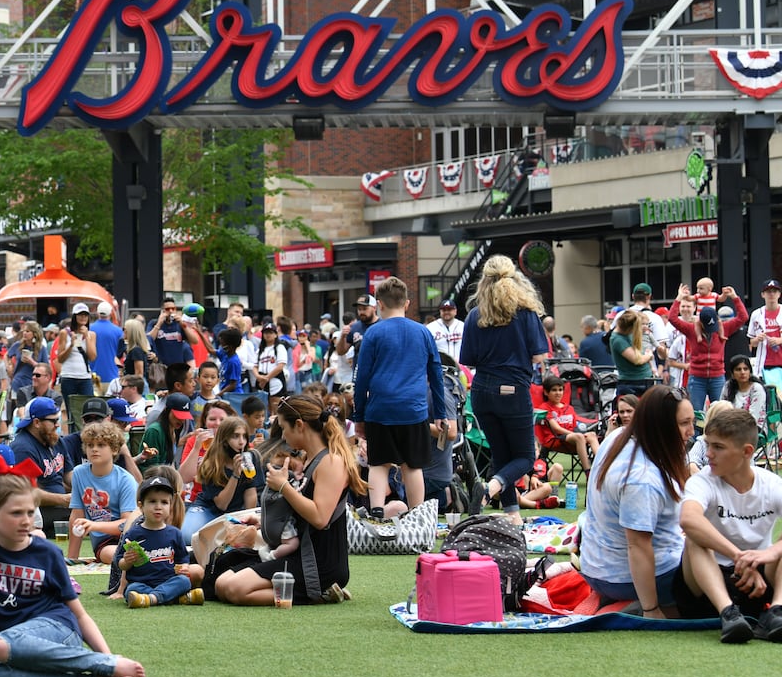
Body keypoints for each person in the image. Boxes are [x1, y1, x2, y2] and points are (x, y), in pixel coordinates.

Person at [0, 468, 146, 677]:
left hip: (58, 631)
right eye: (16, 513)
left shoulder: (47, 552)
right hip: (13, 645)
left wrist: (109, 658)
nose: (26, 521)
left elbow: (79, 614)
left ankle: (104, 667)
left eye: (30, 512)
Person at [208, 390, 363, 605]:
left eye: (283, 427)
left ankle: (321, 592)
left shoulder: (331, 462)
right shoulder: (311, 459)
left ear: (300, 425)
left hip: (318, 563)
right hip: (296, 553)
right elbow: (299, 515)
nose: (282, 436)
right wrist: (263, 521)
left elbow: (320, 517)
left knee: (235, 589)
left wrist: (283, 487)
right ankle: (315, 591)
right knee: (222, 584)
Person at [580, 385, 694, 617]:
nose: (692, 431)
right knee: (714, 566)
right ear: (660, 426)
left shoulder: (618, 438)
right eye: (684, 423)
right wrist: (651, 609)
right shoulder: (641, 478)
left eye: (693, 422)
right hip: (625, 577)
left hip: (597, 568)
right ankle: (639, 607)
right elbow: (638, 546)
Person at [676, 407, 782, 642]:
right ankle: (729, 615)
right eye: (708, 445)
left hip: (759, 579)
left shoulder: (771, 484)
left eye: (718, 447)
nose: (708, 454)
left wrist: (770, 553)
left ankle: (777, 611)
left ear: (746, 452)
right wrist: (740, 557)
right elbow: (688, 519)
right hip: (707, 581)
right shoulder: (702, 481)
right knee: (695, 536)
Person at [459, 255, 547, 522]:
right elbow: (538, 356)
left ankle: (512, 515)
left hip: (483, 391)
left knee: (501, 453)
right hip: (513, 389)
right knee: (525, 457)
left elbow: (468, 360)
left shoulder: (475, 315)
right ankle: (489, 489)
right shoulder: (526, 313)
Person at [352, 276, 449, 516]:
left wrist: (359, 416)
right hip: (413, 410)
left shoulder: (373, 334)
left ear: (380, 305)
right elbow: (436, 375)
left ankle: (376, 512)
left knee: (379, 463)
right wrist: (440, 413)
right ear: (406, 303)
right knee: (412, 466)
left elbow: (361, 379)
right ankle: (418, 516)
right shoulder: (423, 332)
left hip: (379, 409)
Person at [120, 475, 203, 607]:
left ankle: (150, 599)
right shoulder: (133, 533)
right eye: (152, 501)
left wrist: (185, 568)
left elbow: (182, 559)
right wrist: (127, 561)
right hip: (142, 583)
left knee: (184, 581)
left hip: (168, 581)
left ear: (171, 506)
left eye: (164, 502)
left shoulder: (174, 533)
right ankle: (175, 599)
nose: (158, 507)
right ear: (141, 506)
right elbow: (120, 564)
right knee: (131, 589)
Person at [668, 283, 748, 415]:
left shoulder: (724, 328)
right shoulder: (691, 330)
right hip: (697, 377)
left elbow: (743, 317)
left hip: (717, 376)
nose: (711, 331)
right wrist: (678, 299)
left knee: (721, 413)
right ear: (700, 323)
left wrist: (735, 297)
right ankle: (695, 436)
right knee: (696, 413)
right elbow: (673, 318)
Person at [67, 420, 137, 564]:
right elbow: (76, 516)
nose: (94, 449)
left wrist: (93, 526)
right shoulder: (79, 473)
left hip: (130, 538)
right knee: (109, 553)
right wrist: (71, 559)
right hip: (105, 543)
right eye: (90, 445)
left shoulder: (125, 480)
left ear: (114, 449)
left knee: (122, 554)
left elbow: (128, 524)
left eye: (101, 445)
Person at [179, 416, 259, 542]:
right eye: (235, 436)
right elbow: (222, 504)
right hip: (208, 509)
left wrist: (248, 520)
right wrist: (235, 475)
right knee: (187, 536)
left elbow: (251, 494)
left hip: (235, 512)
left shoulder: (251, 458)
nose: (241, 441)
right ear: (225, 439)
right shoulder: (211, 464)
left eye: (244, 436)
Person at [9, 397, 72, 523]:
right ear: (37, 422)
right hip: (36, 511)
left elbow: (68, 474)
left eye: (57, 419)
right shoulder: (23, 448)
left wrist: (87, 488)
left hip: (59, 507)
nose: (58, 425)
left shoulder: (55, 440)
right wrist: (63, 499)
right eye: (53, 421)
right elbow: (27, 493)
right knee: (81, 518)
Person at [535, 374, 599, 475]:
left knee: (592, 435)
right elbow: (556, 429)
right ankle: (588, 472)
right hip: (555, 439)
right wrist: (577, 435)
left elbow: (574, 426)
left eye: (560, 390)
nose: (558, 393)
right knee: (579, 436)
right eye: (554, 390)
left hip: (571, 439)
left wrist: (579, 434)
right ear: (546, 392)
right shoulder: (545, 407)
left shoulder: (569, 408)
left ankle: (602, 465)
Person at [52, 304, 98, 398]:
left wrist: (87, 337)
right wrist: (71, 345)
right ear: (74, 316)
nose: (83, 317)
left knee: (87, 406)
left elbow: (92, 357)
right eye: (80, 315)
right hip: (68, 375)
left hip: (84, 376)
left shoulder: (92, 334)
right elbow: (60, 359)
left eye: (85, 315)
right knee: (71, 407)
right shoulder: (65, 333)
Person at [609, 309, 657, 399]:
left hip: (644, 380)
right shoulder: (617, 339)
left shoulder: (626, 334)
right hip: (632, 384)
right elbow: (637, 360)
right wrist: (649, 356)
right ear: (628, 328)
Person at [747, 278, 782, 397]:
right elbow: (752, 342)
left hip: (781, 360)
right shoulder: (756, 314)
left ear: (779, 294)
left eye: (774, 291)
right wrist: (757, 339)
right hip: (764, 363)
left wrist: (780, 340)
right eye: (768, 292)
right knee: (768, 398)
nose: (771, 294)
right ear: (763, 294)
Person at [722, 355, 768, 432]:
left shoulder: (756, 389)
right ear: (732, 374)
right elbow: (721, 408)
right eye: (738, 369)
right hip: (730, 426)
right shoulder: (728, 386)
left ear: (750, 372)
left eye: (745, 369)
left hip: (754, 428)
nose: (742, 372)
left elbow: (753, 418)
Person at [121, 320, 149, 390]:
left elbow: (139, 374)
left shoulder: (136, 350)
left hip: (136, 387)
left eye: (124, 329)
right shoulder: (134, 349)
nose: (123, 331)